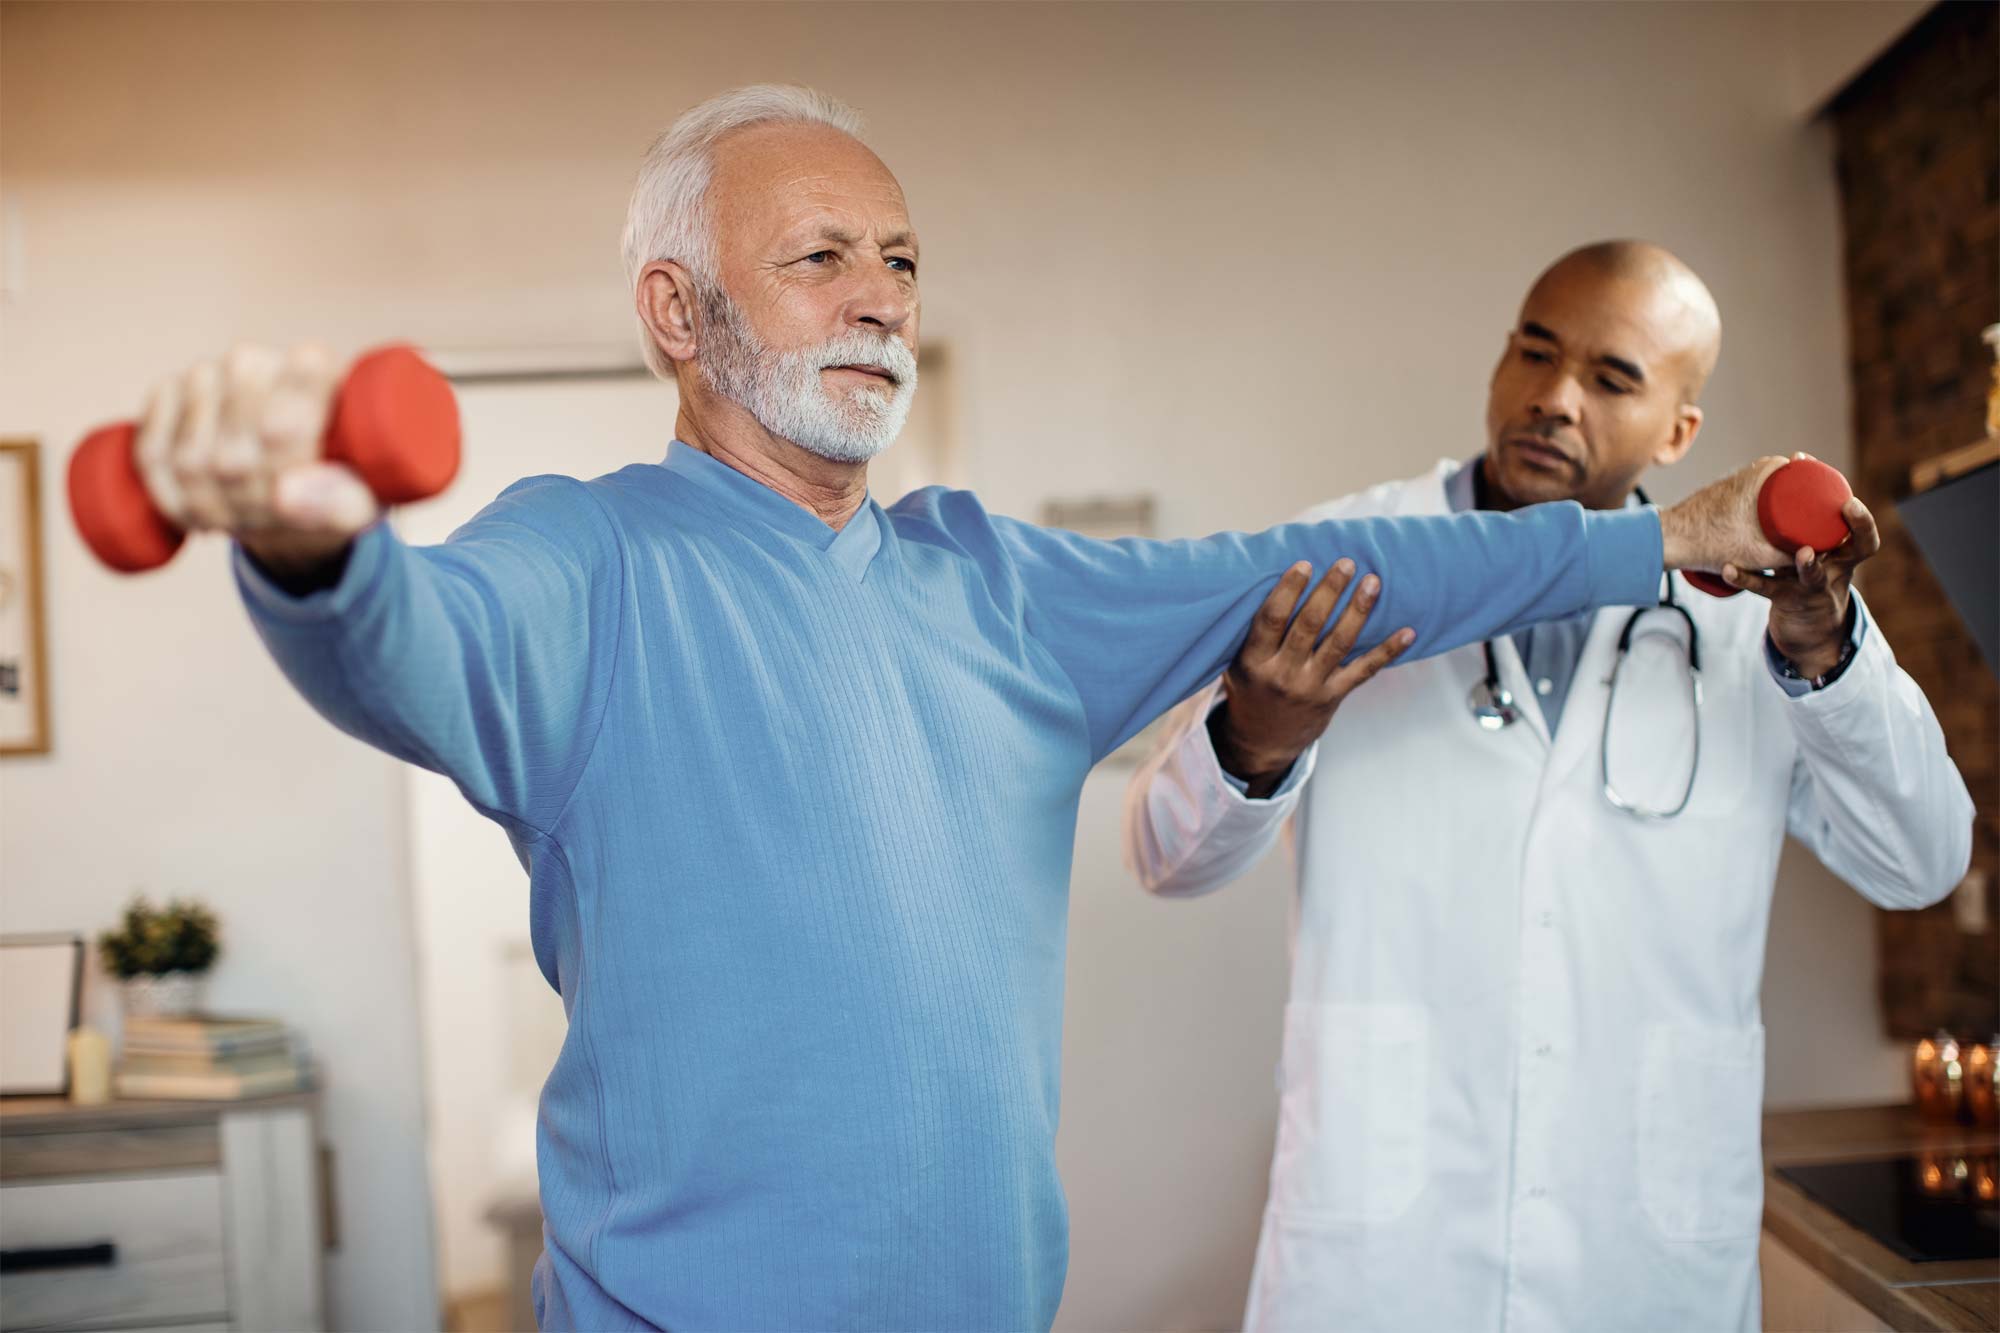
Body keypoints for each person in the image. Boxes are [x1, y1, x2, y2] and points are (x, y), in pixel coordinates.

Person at [139, 87, 1782, 1329]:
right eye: (819, 259)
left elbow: (1322, 559)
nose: (879, 296)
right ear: (675, 313)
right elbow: (412, 644)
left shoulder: (998, 584)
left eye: (902, 260)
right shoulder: (591, 558)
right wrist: (311, 546)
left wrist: (1663, 539)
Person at [1123, 240, 1974, 1333]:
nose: (1550, 398)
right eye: (1532, 352)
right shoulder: (1347, 561)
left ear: (1677, 431)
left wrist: (1823, 653)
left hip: (1641, 1262)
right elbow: (1160, 852)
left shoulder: (1750, 613)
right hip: (1385, 1263)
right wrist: (1259, 733)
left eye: (1610, 378)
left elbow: (1921, 861)